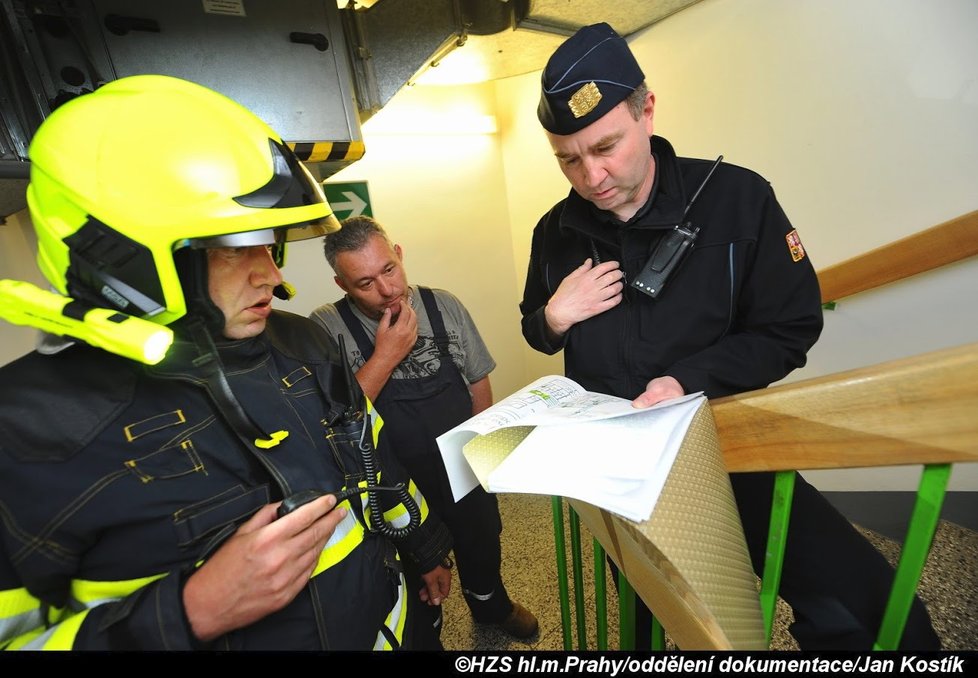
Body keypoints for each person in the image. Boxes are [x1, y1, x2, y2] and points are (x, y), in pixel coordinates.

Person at [520, 22, 940, 650]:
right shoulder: (553, 231)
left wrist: (687, 381)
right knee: (665, 629)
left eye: (606, 147)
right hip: (621, 475)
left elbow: (791, 326)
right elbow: (537, 330)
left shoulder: (740, 200)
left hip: (729, 450)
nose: (592, 176)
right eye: (569, 159)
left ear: (647, 109)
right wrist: (553, 317)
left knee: (873, 615)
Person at [0, 74, 455, 650]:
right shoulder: (25, 434)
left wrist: (424, 548)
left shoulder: (302, 345)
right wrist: (192, 611)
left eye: (267, 243)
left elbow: (374, 459)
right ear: (128, 257)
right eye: (233, 249)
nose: (272, 274)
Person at [310, 216, 538, 644]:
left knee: (482, 541)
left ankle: (490, 605)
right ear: (342, 285)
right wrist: (386, 356)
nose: (387, 290)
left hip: (461, 462)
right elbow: (337, 417)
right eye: (364, 283)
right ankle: (426, 631)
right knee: (414, 570)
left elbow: (477, 379)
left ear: (398, 254)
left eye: (389, 270)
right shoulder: (326, 327)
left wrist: (480, 451)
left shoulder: (442, 305)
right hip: (393, 483)